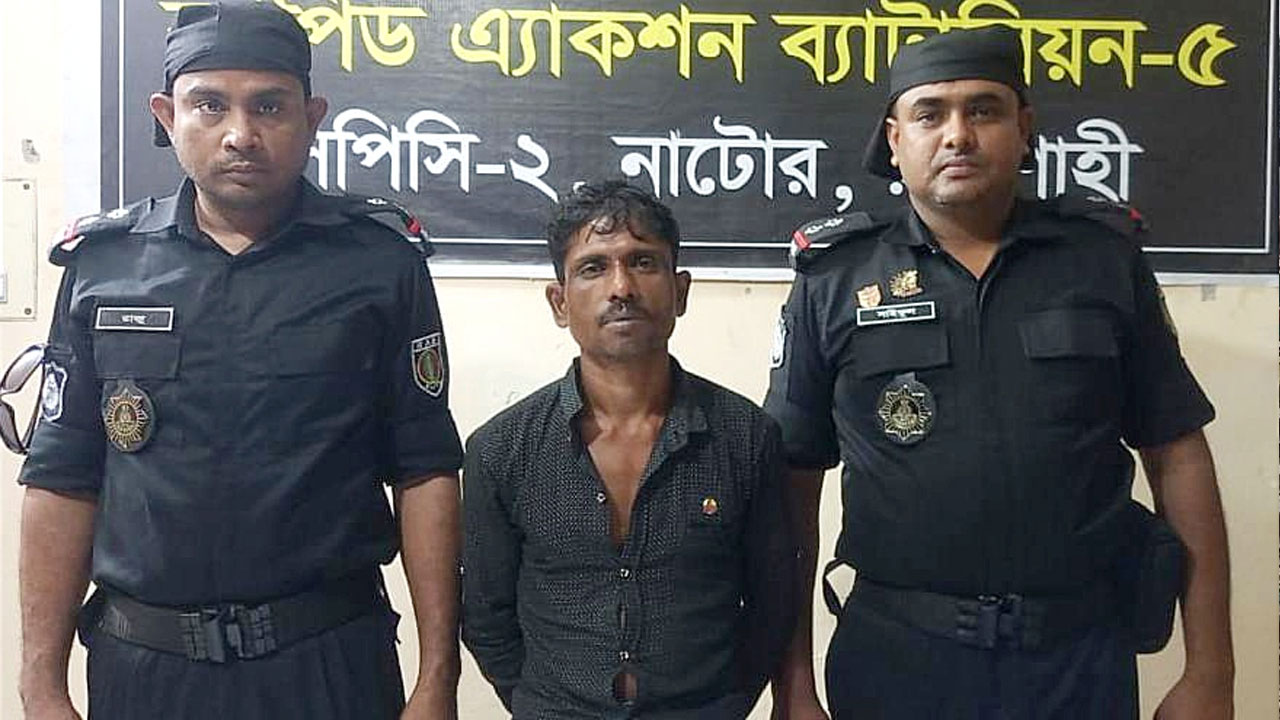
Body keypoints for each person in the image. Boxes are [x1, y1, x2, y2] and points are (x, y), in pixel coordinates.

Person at [765, 27, 1233, 720]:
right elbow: (789, 490)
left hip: (1077, 661)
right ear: (895, 139)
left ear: (1024, 129)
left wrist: (1211, 673)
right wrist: (794, 688)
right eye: (930, 114)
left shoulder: (1102, 262)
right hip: (895, 661)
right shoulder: (834, 280)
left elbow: (1177, 454)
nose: (957, 134)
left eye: (983, 110)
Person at [17, 2, 464, 718]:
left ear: (311, 117)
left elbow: (425, 471)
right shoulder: (103, 267)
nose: (240, 134)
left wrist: (438, 677)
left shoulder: (380, 265)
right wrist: (40, 685)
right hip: (146, 670)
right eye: (209, 105)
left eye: (269, 106)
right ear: (167, 116)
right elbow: (61, 478)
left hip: (328, 665)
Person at [461, 180, 796, 719]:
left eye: (642, 262)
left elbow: (772, 604)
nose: (621, 287)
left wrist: (725, 702)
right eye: (593, 268)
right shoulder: (501, 450)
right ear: (560, 302)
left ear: (680, 291)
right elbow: (486, 617)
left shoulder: (746, 437)